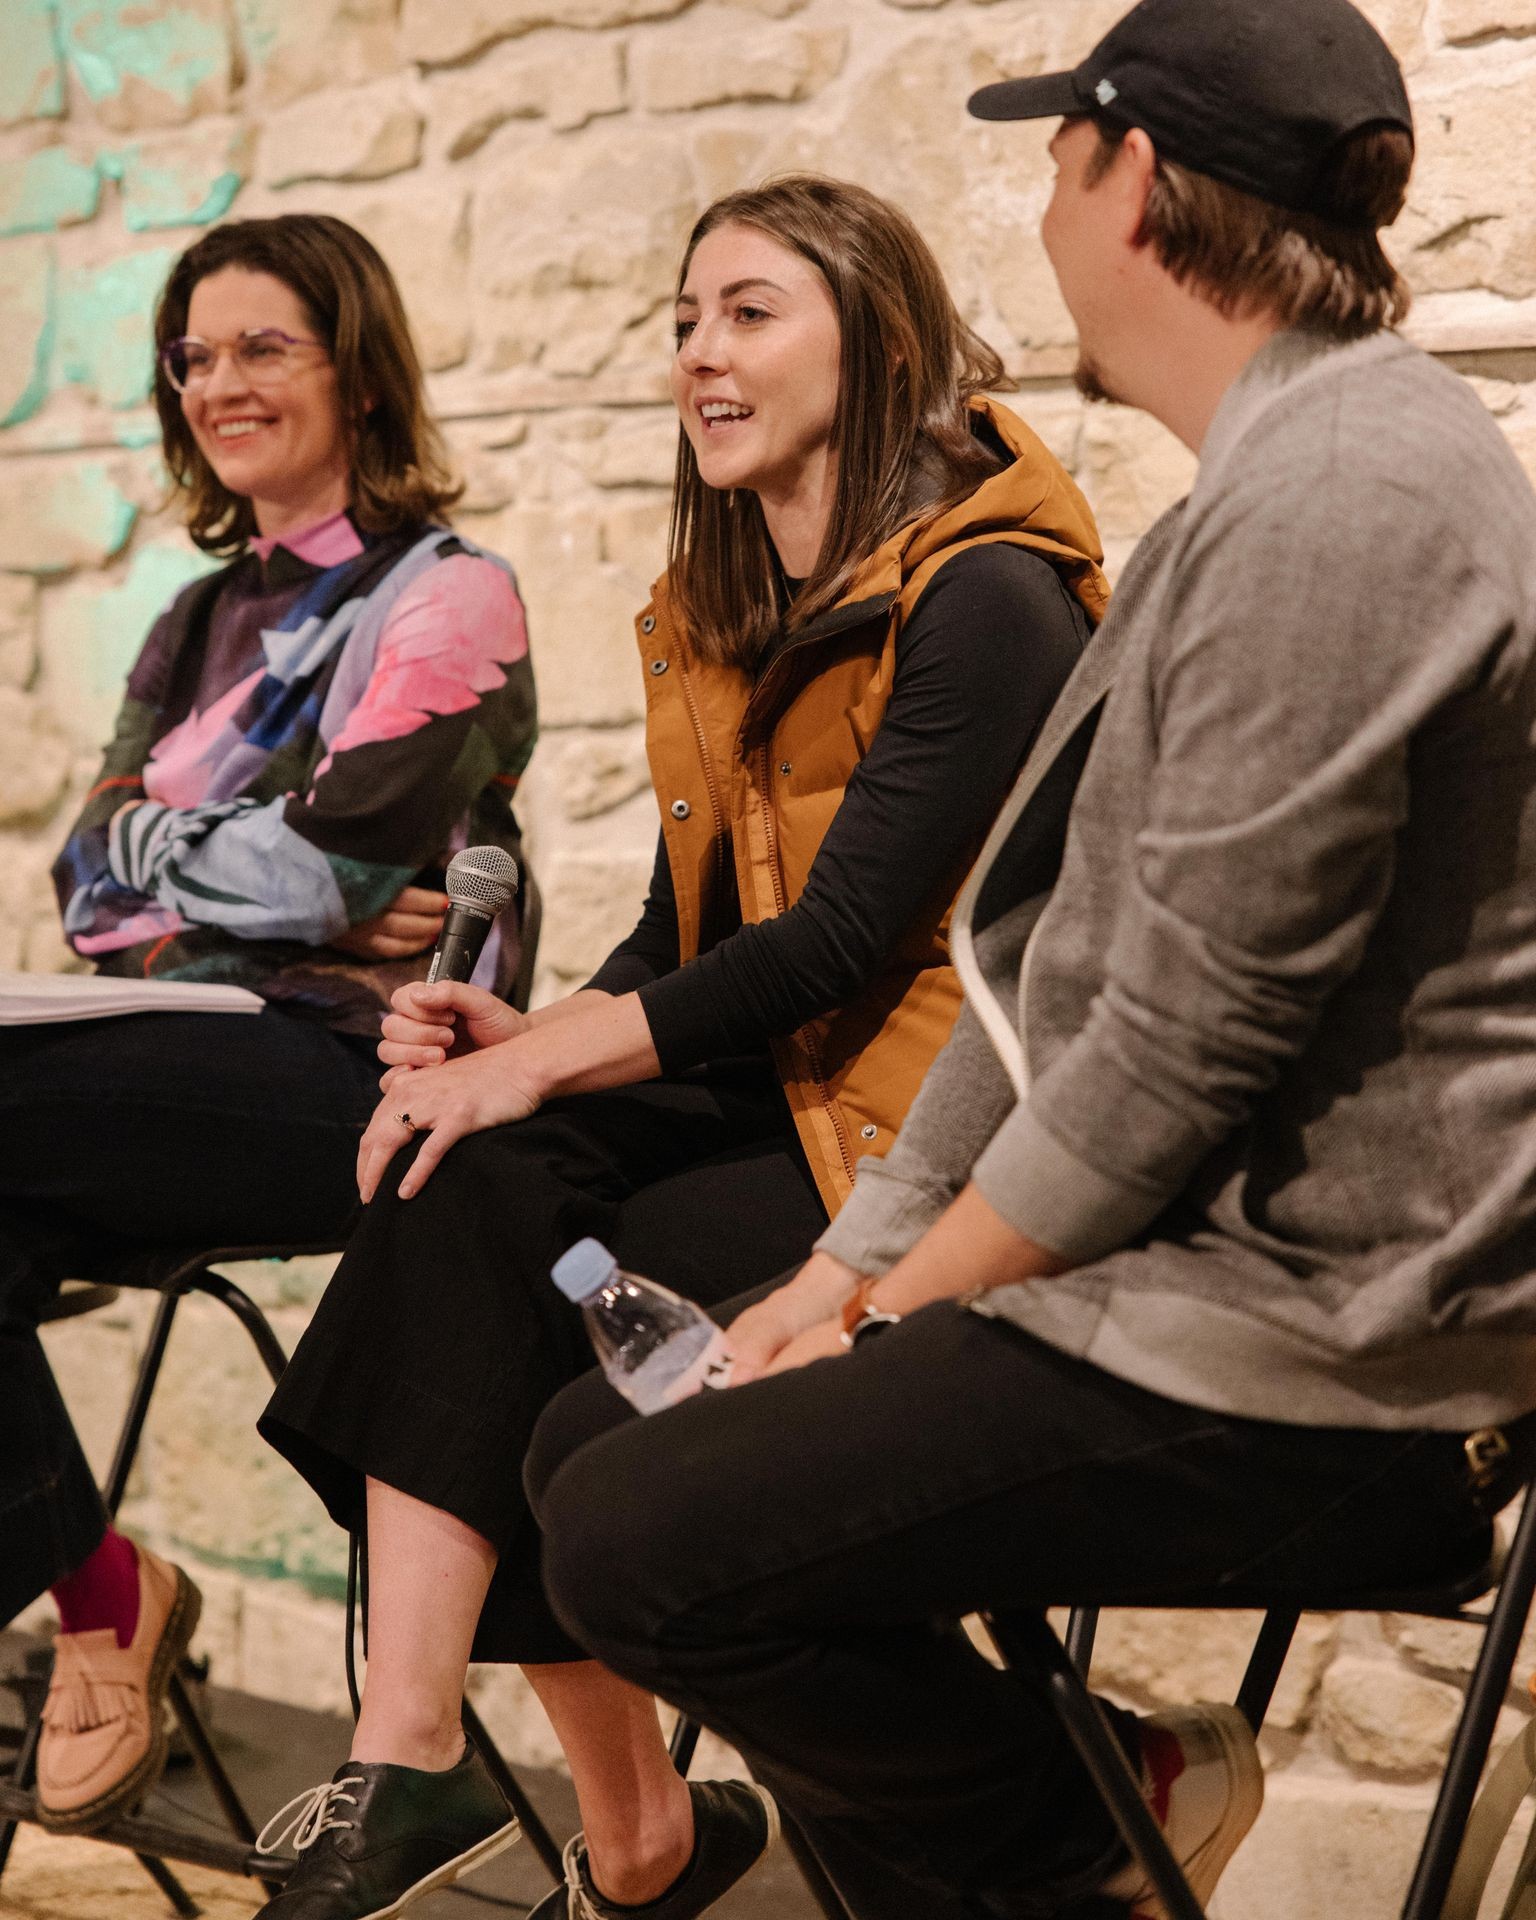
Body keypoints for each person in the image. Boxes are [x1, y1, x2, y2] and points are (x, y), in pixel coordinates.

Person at [527, 5, 1536, 1917]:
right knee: (601, 1437)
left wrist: (888, 1315)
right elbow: (1049, 965)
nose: (1044, 209)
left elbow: (1181, 1045)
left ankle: (1072, 1849)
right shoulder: (1255, 489)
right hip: (1217, 1288)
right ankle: (1079, 1820)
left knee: (651, 1534)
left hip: (1345, 1358)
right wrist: (835, 1270)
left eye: (1056, 162)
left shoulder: (1347, 495)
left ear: (1132, 176)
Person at [250, 175, 1109, 1920]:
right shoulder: (725, 604)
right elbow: (683, 937)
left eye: (749, 312)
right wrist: (525, 1034)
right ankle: (421, 1758)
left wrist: (542, 1064)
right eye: (684, 320)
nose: (699, 356)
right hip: (780, 1104)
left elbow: (846, 940)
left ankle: (568, 1812)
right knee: (460, 1168)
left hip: (923, 1151)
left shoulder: (992, 595)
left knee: (508, 1268)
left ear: (874, 340)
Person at [0, 211, 535, 1838]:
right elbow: (83, 886)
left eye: (261, 348)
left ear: (354, 373)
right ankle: (102, 1593)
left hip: (354, 1077)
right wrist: (252, 875)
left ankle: (97, 1608)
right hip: (168, 1064)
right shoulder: (185, 622)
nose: (219, 382)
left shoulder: (453, 599)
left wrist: (202, 874)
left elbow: (324, 873)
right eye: (194, 355)